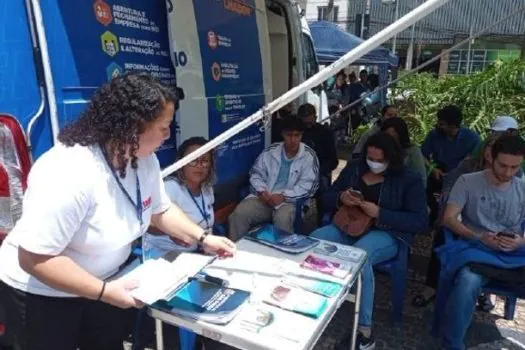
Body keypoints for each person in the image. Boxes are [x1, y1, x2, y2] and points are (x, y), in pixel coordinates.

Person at [0, 73, 236, 350]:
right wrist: (103, 292)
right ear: (134, 127)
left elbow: (160, 210)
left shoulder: (144, 160)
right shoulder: (70, 171)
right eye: (164, 126)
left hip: (106, 286)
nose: (168, 135)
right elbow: (35, 257)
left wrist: (203, 238)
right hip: (42, 296)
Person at [311, 133, 428, 350]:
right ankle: (311, 302)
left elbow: (420, 221)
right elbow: (326, 198)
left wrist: (380, 213)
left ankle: (364, 332)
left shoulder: (408, 179)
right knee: (314, 241)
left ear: (391, 160)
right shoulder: (355, 168)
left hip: (386, 232)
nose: (373, 163)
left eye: (379, 160)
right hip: (347, 225)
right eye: (370, 158)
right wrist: (340, 198)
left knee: (359, 257)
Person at [437, 135, 525, 350]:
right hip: (476, 247)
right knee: (468, 283)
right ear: (490, 158)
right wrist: (478, 237)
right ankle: (452, 344)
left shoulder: (522, 188)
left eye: (515, 167)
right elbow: (448, 218)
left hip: (512, 251)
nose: (508, 173)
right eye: (503, 165)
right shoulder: (468, 181)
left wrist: (520, 242)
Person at [228, 118, 319, 240]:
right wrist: (261, 191)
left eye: (297, 135)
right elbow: (256, 173)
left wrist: (284, 196)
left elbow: (309, 187)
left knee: (282, 219)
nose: (293, 140)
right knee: (239, 214)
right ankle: (236, 251)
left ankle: (280, 257)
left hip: (289, 202)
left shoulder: (309, 156)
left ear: (302, 135)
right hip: (266, 198)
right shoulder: (271, 151)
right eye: (289, 135)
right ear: (283, 134)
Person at [145, 137, 216, 256]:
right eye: (193, 160)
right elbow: (149, 225)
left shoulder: (207, 189)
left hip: (197, 252)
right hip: (166, 253)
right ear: (181, 163)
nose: (199, 165)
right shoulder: (170, 188)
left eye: (204, 160)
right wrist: (171, 233)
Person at [421, 105, 480, 224]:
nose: (438, 125)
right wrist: (433, 169)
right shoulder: (434, 135)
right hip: (438, 171)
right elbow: (422, 155)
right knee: (420, 187)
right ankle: (435, 212)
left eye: (442, 124)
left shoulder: (472, 137)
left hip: (460, 175)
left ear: (452, 126)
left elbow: (476, 160)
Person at [297, 103, 338, 223]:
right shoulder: (296, 133)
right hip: (298, 170)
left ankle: (324, 219)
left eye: (310, 123)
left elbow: (333, 160)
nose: (307, 127)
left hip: (320, 171)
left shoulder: (325, 133)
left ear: (315, 118)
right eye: (304, 124)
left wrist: (317, 170)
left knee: (323, 187)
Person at [380, 117, 427, 187]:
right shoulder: (381, 150)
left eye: (390, 136)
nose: (387, 139)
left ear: (400, 135)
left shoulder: (412, 152)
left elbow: (421, 180)